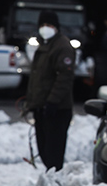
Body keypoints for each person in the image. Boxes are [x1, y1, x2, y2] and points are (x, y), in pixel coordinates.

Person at [25, 10, 75, 171]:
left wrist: (52, 102)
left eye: (49, 25)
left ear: (56, 27)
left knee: (53, 154)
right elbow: (38, 78)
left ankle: (56, 185)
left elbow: (64, 78)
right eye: (43, 25)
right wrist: (32, 103)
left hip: (56, 110)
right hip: (42, 109)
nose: (45, 28)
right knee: (44, 151)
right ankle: (50, 181)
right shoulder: (44, 45)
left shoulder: (62, 47)